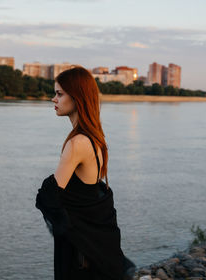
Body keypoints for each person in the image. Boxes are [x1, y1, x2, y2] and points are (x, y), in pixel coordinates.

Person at [35, 66, 136, 280]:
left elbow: (50, 196)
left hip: (82, 254)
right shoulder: (94, 138)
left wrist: (65, 225)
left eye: (59, 94)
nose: (53, 99)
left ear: (77, 97)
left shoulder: (77, 143)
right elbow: (87, 195)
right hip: (93, 248)